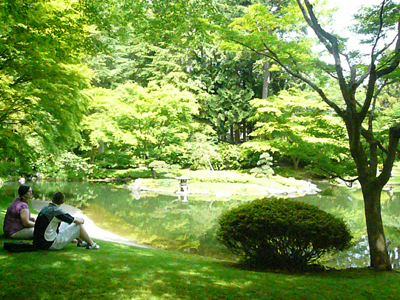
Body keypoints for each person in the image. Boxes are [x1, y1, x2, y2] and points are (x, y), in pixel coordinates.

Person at [33, 192, 100, 250]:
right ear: (63, 202)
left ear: (52, 199)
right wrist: (82, 220)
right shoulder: (57, 212)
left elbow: (70, 219)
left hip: (39, 242)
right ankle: (92, 244)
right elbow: (78, 221)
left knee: (69, 223)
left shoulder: (45, 208)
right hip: (49, 244)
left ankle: (81, 242)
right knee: (78, 226)